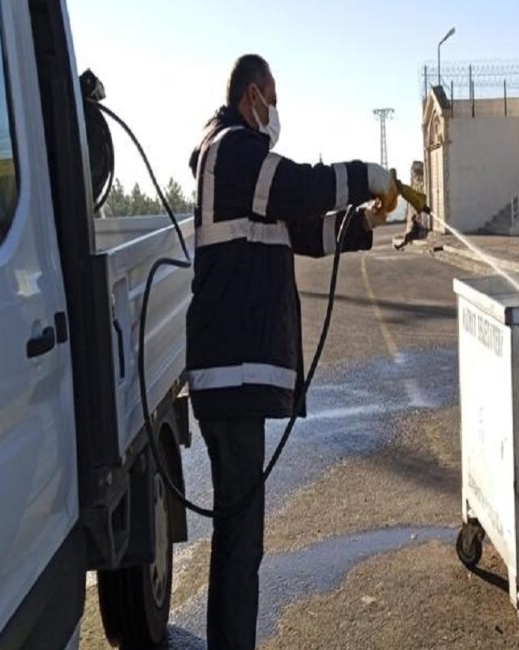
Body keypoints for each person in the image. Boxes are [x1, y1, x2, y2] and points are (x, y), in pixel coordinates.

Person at [185, 54, 398, 649]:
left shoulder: (240, 167)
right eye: (273, 99)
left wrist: (363, 219)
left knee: (240, 540)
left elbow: (307, 229)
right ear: (254, 96)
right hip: (231, 374)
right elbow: (302, 186)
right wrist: (366, 173)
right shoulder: (231, 149)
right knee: (238, 543)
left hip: (233, 377)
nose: (276, 113)